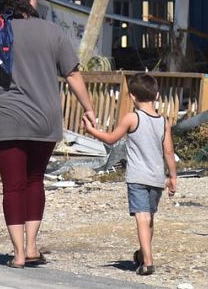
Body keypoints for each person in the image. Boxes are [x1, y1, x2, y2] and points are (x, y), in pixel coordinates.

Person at [0, 0, 97, 269]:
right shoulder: (53, 31)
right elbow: (73, 75)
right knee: (35, 181)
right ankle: (33, 246)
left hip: (8, 120)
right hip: (45, 121)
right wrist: (89, 108)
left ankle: (19, 253)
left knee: (13, 187)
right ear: (30, 0)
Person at [80, 72, 177, 277]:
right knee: (149, 218)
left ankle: (148, 261)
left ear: (132, 96)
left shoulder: (132, 118)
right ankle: (143, 255)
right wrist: (173, 177)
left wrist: (90, 131)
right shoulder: (163, 122)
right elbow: (169, 151)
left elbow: (110, 139)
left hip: (137, 177)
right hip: (157, 177)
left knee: (141, 217)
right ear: (157, 95)